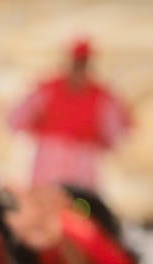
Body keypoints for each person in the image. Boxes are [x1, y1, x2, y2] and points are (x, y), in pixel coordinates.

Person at [8, 38, 131, 190]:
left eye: (82, 64)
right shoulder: (46, 90)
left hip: (83, 161)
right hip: (49, 160)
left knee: (81, 206)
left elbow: (116, 133)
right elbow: (16, 118)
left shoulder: (101, 97)